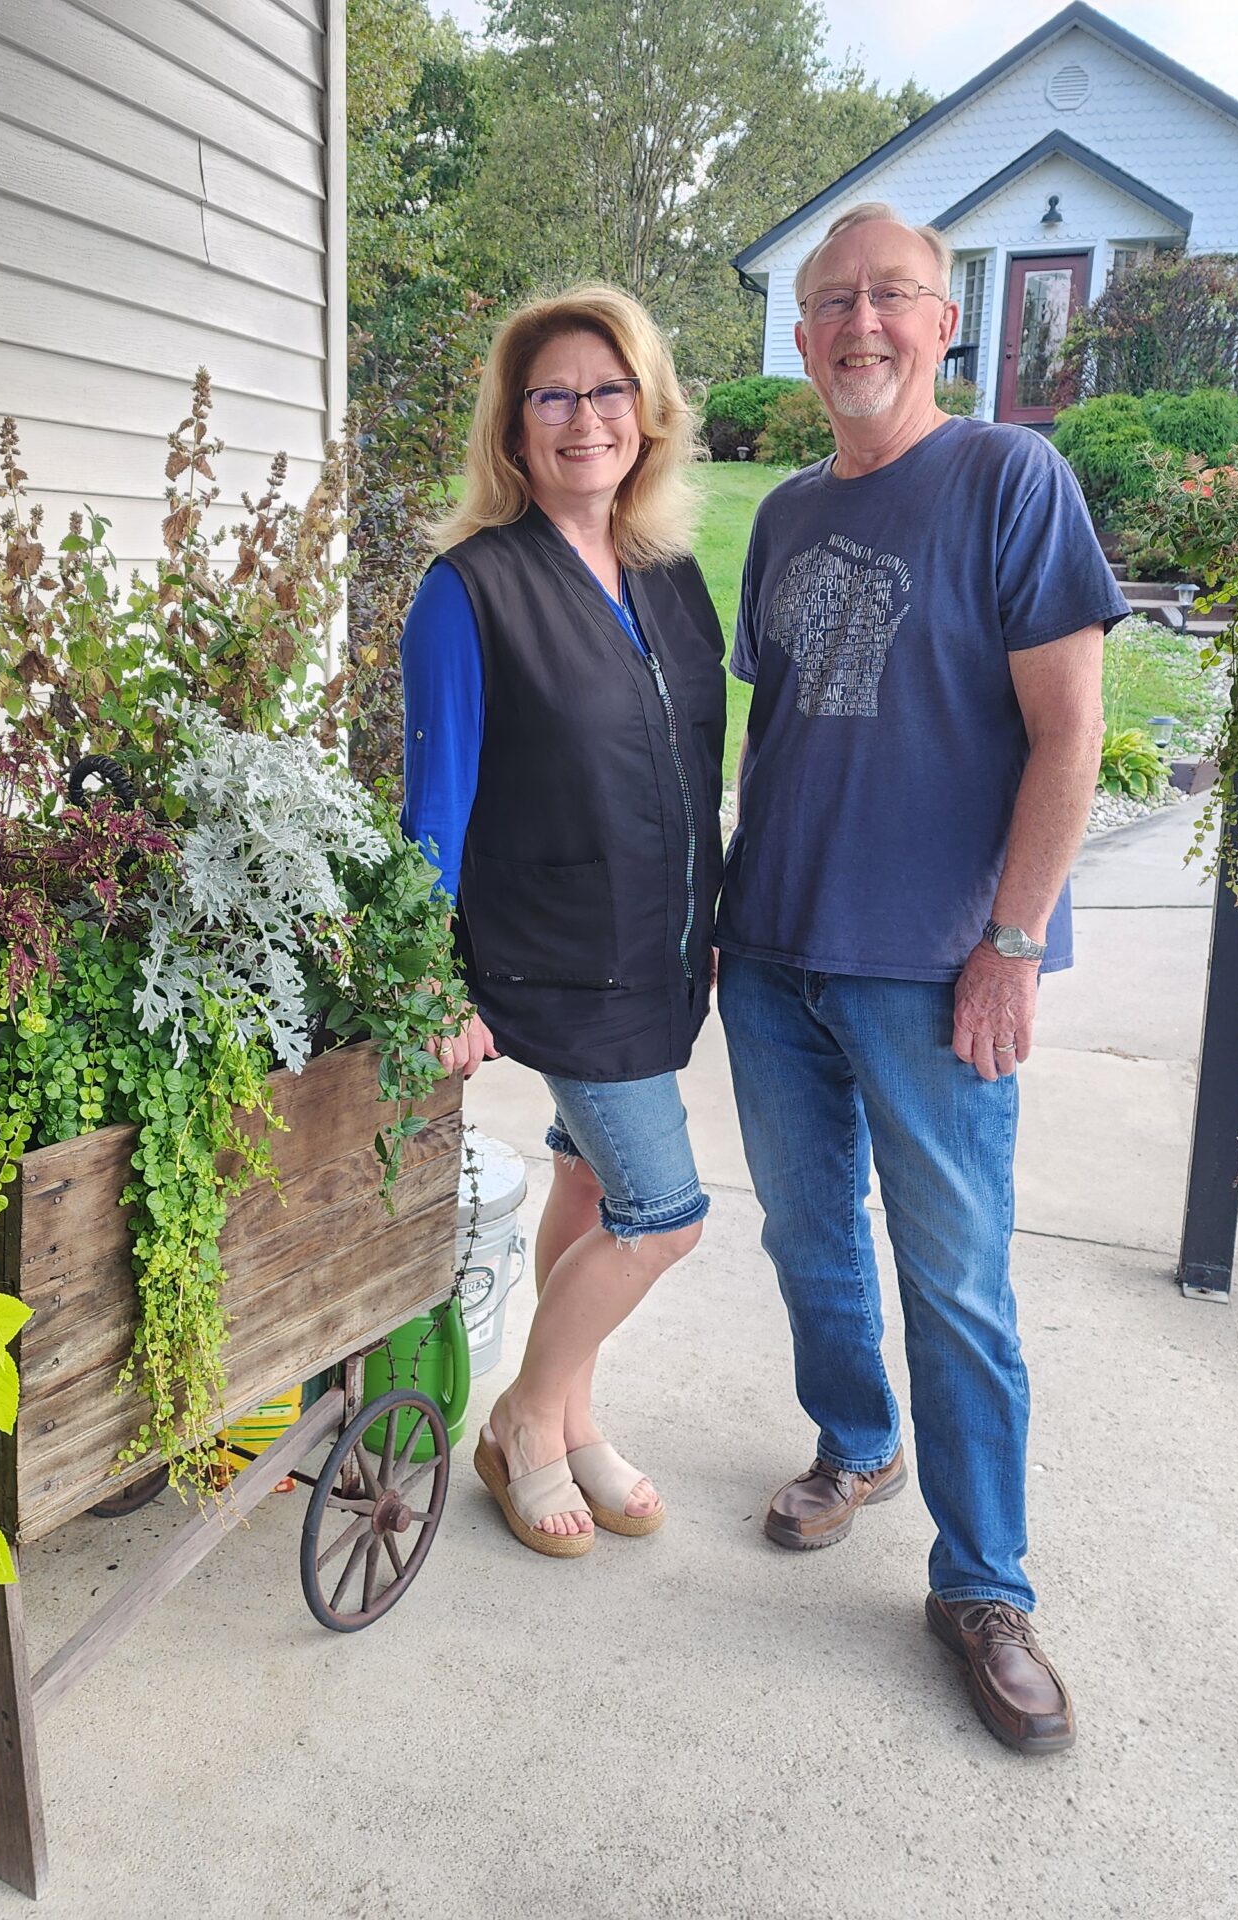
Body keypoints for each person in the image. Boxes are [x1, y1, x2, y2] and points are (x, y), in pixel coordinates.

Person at [721, 203, 1124, 1753]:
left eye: (891, 297)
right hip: (775, 958)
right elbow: (788, 735)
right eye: (830, 302)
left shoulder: (1011, 480)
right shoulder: (783, 517)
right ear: (803, 333)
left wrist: (1014, 946)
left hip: (938, 966)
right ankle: (854, 1442)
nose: (858, 326)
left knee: (956, 1281)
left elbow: (1071, 731)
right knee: (810, 1238)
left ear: (947, 322)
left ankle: (986, 1585)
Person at [397, 286, 725, 1559]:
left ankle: (579, 1417)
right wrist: (429, 978)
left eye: (607, 391)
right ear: (513, 426)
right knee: (664, 1212)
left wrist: (709, 910)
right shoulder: (467, 591)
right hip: (559, 960)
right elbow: (434, 804)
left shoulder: (670, 575)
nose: (583, 417)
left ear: (645, 413)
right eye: (553, 396)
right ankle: (524, 1423)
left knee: (589, 1179)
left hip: (659, 952)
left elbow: (695, 761)